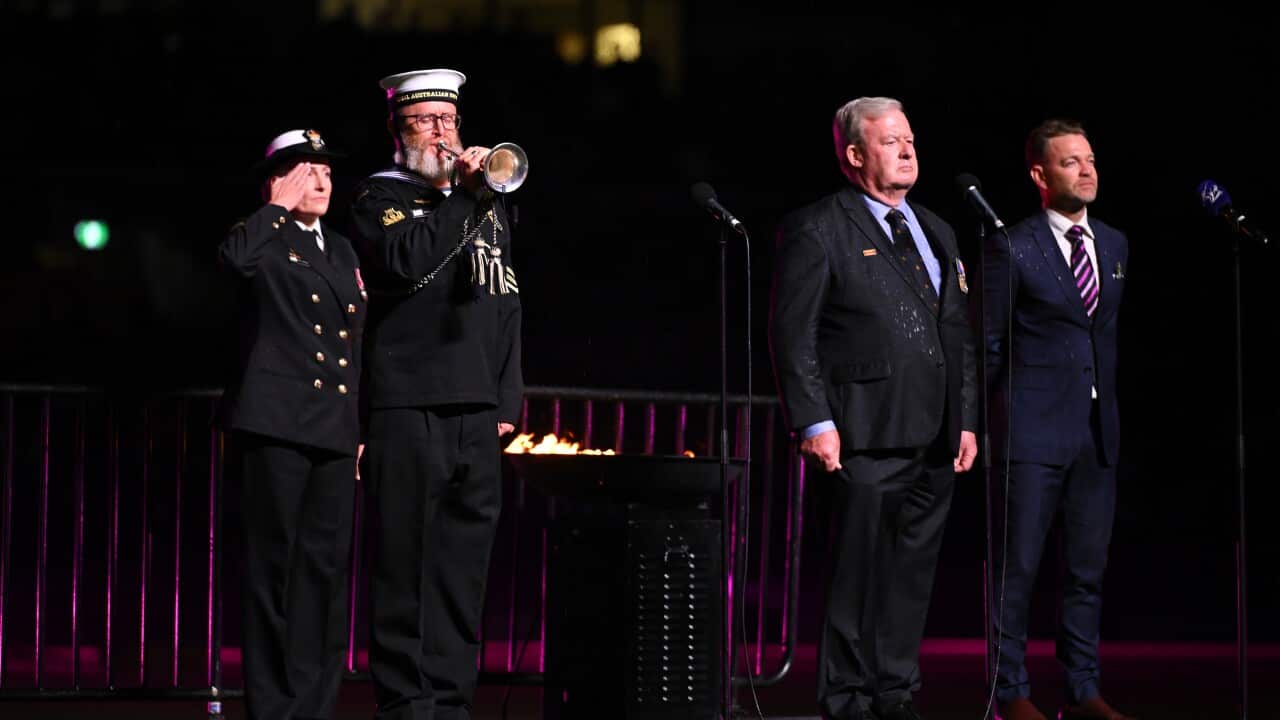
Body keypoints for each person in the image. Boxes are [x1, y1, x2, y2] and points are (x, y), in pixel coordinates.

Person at [770, 96, 977, 720]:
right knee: (855, 576)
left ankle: (895, 693)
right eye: (891, 142)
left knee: (910, 577)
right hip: (861, 431)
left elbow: (957, 333)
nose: (908, 150)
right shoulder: (819, 227)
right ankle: (848, 699)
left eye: (910, 139)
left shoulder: (936, 228)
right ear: (855, 155)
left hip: (935, 436)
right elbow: (793, 334)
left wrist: (966, 419)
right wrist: (815, 420)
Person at [349, 68, 524, 720]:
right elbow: (406, 261)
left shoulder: (487, 205)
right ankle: (406, 703)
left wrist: (507, 400)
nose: (442, 134)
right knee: (404, 565)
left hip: (475, 410)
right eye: (425, 122)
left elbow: (506, 302)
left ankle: (452, 703)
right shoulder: (378, 197)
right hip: (407, 404)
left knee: (462, 568)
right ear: (398, 130)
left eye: (449, 121)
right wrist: (466, 199)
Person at [985, 120, 1132, 720]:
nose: (1087, 170)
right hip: (1031, 432)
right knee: (1017, 571)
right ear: (1040, 175)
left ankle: (1083, 688)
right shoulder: (1013, 245)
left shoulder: (1115, 244)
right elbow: (988, 344)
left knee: (1087, 572)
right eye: (1071, 162)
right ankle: (1010, 692)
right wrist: (981, 425)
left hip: (1096, 435)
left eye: (1090, 159)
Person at [218, 128, 363, 720]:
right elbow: (235, 262)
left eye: (326, 171)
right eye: (306, 170)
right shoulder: (261, 236)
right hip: (276, 426)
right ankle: (274, 707)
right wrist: (276, 207)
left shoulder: (342, 250)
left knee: (324, 576)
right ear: (276, 182)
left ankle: (314, 705)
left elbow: (355, 345)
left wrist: (357, 429)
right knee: (272, 572)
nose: (321, 180)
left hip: (333, 431)